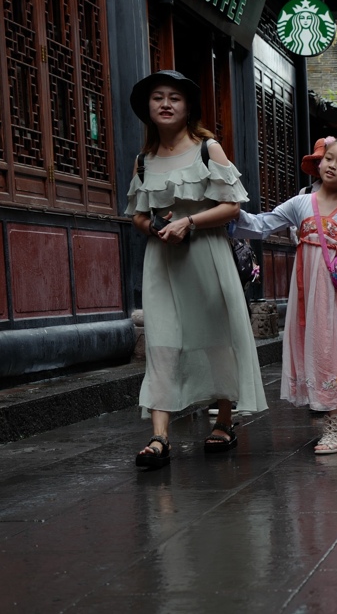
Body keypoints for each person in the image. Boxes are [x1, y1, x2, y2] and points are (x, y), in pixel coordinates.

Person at [126, 70, 268, 469]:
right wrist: (155, 225)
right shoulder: (144, 160)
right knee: (162, 341)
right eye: (158, 98)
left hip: (206, 253)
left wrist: (188, 222)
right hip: (163, 261)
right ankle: (159, 437)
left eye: (175, 97)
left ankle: (224, 421)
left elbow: (232, 206)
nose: (166, 103)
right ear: (148, 109)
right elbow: (136, 215)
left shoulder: (209, 149)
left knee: (216, 336)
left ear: (188, 108)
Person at [233, 137, 337, 454]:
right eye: (329, 158)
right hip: (308, 295)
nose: (331, 165)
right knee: (320, 349)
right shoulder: (300, 204)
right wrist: (229, 213)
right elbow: (262, 225)